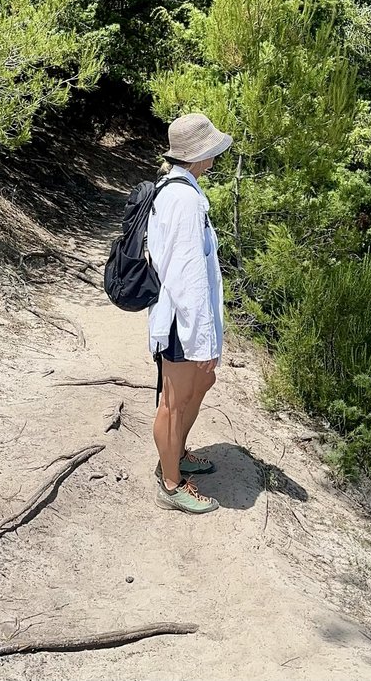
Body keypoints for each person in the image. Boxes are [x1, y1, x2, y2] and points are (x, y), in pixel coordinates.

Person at [147, 112, 232, 513]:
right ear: (199, 154)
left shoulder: (182, 189)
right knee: (174, 401)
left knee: (201, 383)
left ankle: (175, 453)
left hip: (187, 317)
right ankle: (170, 483)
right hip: (183, 319)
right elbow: (186, 275)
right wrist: (203, 338)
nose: (216, 154)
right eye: (211, 148)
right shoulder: (182, 198)